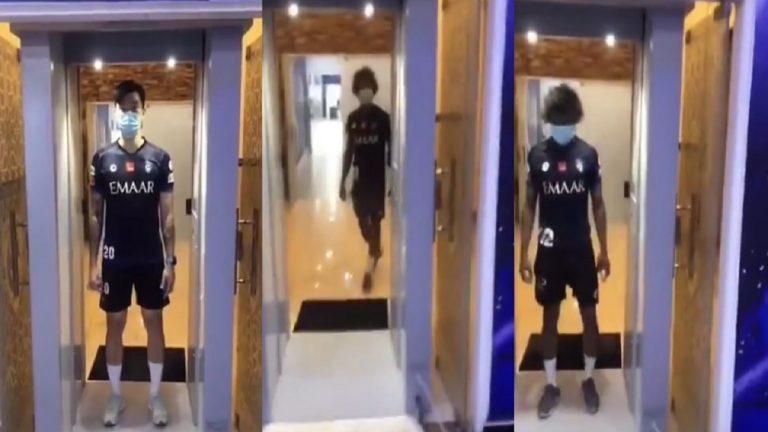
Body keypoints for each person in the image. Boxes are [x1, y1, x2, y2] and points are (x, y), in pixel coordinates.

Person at [518, 84, 610, 419]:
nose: (561, 126)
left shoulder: (588, 155)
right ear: (548, 120)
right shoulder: (536, 156)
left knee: (590, 315)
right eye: (556, 121)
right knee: (549, 317)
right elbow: (529, 205)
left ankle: (588, 379)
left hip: (581, 249)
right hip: (549, 252)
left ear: (575, 119)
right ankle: (551, 385)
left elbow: (598, 204)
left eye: (567, 121)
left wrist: (604, 250)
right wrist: (523, 253)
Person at [88, 80, 176, 427]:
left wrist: (170, 262)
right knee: (115, 325)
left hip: (151, 257)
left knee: (154, 322)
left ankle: (155, 397)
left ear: (144, 110)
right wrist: (93, 264)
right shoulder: (102, 159)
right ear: (116, 111)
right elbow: (95, 215)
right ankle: (114, 396)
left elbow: (168, 216)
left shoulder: (160, 159)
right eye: (123, 108)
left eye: (134, 108)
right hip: (115, 258)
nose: (129, 114)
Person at [339, 67, 392, 292]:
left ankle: (370, 267)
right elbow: (349, 151)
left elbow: (392, 153)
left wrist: (393, 181)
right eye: (361, 88)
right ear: (356, 92)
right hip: (360, 178)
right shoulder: (352, 119)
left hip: (378, 178)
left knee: (376, 220)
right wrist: (342, 181)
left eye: (369, 87)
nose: (365, 91)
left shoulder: (383, 119)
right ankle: (374, 247)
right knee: (362, 219)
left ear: (374, 89)